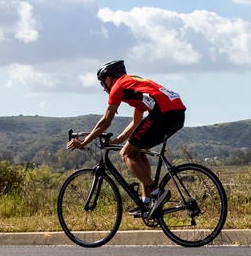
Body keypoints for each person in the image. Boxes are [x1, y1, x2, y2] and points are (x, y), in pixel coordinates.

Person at [67, 60, 186, 219]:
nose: (103, 89)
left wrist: (83, 143)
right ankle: (146, 201)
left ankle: (158, 192)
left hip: (163, 112)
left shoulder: (118, 86)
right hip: (176, 112)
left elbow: (105, 122)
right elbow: (136, 122)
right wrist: (117, 140)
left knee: (126, 154)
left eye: (102, 84)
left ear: (109, 79)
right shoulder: (133, 86)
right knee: (138, 150)